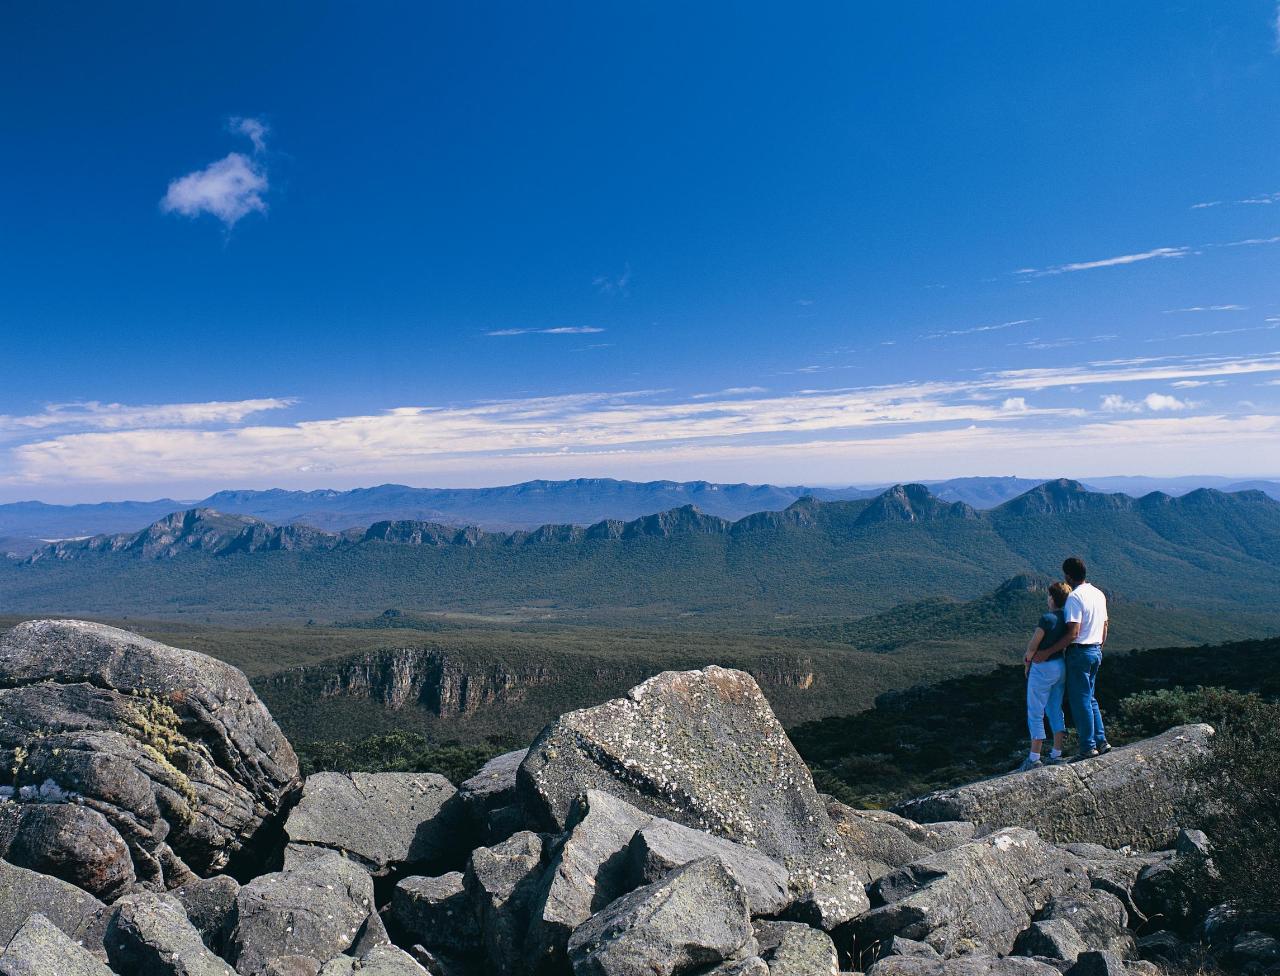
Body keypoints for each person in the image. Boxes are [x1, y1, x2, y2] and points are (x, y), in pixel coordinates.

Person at [1032, 556, 1110, 761]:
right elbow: (1105, 625)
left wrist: (1047, 652)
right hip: (1095, 650)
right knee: (1091, 698)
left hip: (1080, 652)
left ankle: (1088, 746)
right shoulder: (1098, 593)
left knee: (1080, 699)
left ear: (1067, 576)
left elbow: (1073, 633)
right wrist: (1099, 647)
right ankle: (1101, 742)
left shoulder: (1075, 598)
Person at [1017, 581, 1073, 771]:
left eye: (1049, 595)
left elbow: (1033, 645)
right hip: (1060, 665)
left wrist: (1027, 663)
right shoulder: (1067, 617)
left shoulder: (1047, 619)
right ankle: (1056, 753)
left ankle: (1034, 757)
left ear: (1052, 597)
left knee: (1035, 710)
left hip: (1043, 668)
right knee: (1055, 708)